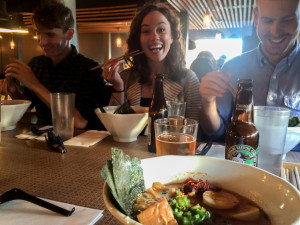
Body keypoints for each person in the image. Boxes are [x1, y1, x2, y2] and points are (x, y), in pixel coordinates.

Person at [199, 0, 300, 147]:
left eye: (287, 20)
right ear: (256, 17)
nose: (275, 31)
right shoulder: (232, 68)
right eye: (268, 20)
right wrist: (208, 101)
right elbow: (215, 131)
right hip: (240, 160)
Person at [0, 1, 111, 130]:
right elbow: (29, 105)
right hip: (40, 138)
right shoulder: (36, 64)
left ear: (69, 34)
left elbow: (80, 122)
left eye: (50, 34)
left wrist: (34, 83)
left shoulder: (90, 69)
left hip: (77, 143)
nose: (42, 42)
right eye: (38, 33)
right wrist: (13, 92)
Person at [102, 3, 201, 122]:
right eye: (146, 31)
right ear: (138, 39)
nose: (154, 36)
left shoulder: (188, 79)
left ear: (172, 37)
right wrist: (118, 87)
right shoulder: (125, 78)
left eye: (161, 29)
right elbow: (114, 125)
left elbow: (195, 129)